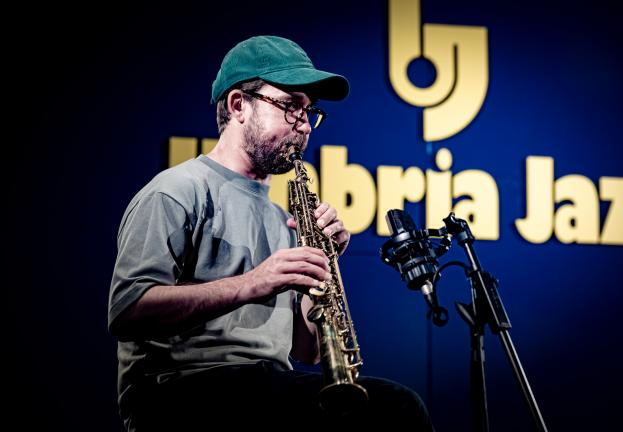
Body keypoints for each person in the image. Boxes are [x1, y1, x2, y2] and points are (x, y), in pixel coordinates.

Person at [108, 35, 434, 432]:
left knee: (379, 409)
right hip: (179, 391)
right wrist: (254, 282)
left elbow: (308, 351)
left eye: (308, 110)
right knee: (397, 407)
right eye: (290, 106)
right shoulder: (177, 190)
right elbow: (129, 311)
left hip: (265, 388)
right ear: (238, 105)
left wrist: (326, 264)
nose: (304, 124)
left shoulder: (285, 220)